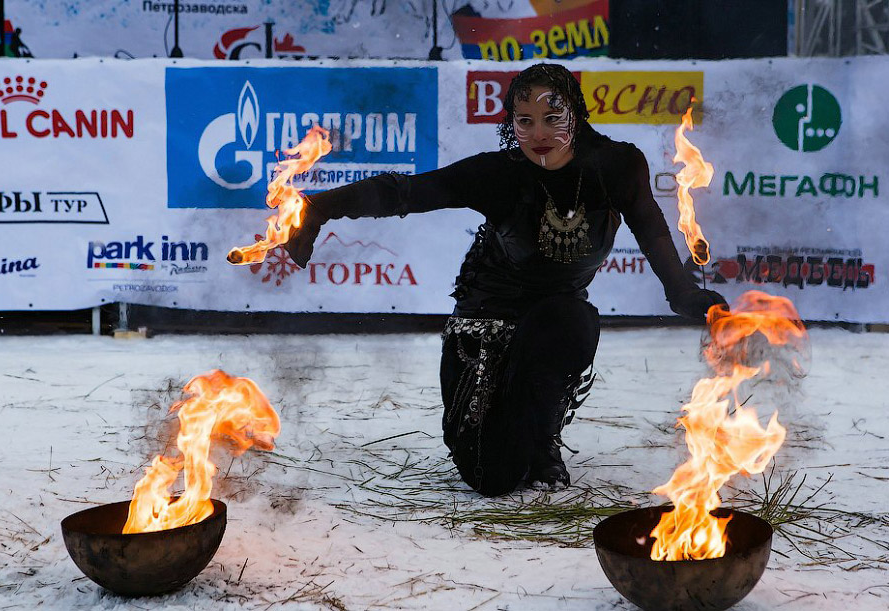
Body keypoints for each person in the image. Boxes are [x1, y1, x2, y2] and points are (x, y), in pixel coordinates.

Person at [281, 63, 727, 496]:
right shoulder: (498, 174)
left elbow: (651, 230)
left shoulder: (617, 167)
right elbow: (406, 193)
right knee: (491, 477)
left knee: (571, 319)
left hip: (553, 324)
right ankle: (514, 435)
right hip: (484, 327)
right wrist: (319, 209)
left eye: (552, 119)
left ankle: (542, 437)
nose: (538, 134)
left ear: (576, 113)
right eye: (525, 121)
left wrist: (688, 296)